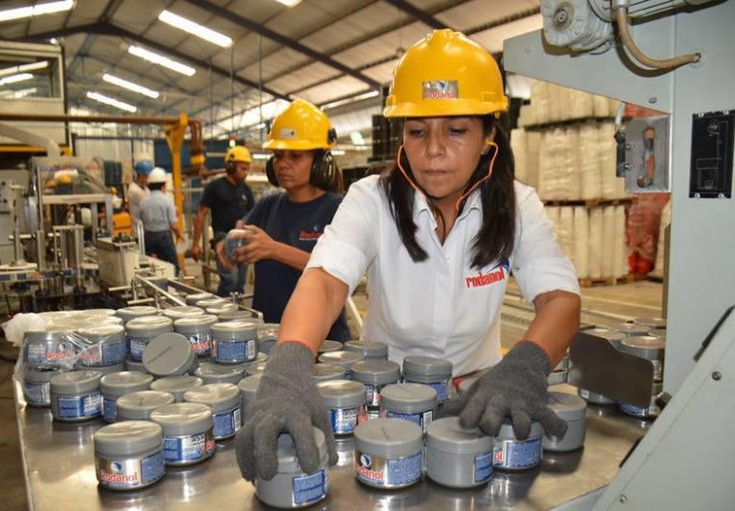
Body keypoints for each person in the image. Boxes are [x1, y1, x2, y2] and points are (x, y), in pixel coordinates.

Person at [235, 29, 581, 482]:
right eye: (417, 131)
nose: (433, 150)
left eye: (456, 130)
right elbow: (324, 282)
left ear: (487, 135)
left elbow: (560, 299)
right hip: (384, 400)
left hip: (480, 399)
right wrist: (288, 366)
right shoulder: (371, 199)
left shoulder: (518, 206)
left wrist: (525, 366)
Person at [223, 99, 351, 341]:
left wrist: (273, 250)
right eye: (278, 156)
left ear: (320, 162)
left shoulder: (339, 209)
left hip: (324, 343)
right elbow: (239, 236)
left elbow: (338, 272)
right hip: (270, 335)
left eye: (295, 156)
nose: (283, 164)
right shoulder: (268, 205)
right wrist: (231, 248)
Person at [190, 146, 254, 296]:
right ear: (230, 167)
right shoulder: (215, 187)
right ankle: (222, 307)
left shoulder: (246, 190)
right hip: (223, 237)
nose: (246, 173)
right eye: (243, 169)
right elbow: (201, 214)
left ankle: (237, 309)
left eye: (247, 169)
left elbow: (253, 215)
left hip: (242, 239)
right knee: (230, 279)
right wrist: (195, 244)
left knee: (240, 284)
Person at [139, 167, 185, 273]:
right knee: (173, 267)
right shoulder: (167, 201)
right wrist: (180, 234)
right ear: (163, 186)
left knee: (149, 267)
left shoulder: (143, 202)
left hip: (148, 237)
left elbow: (142, 219)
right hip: (163, 238)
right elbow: (173, 225)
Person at [128, 159, 152, 235]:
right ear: (139, 175)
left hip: (147, 229)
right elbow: (150, 205)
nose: (148, 178)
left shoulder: (145, 189)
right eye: (145, 176)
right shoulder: (134, 190)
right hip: (139, 231)